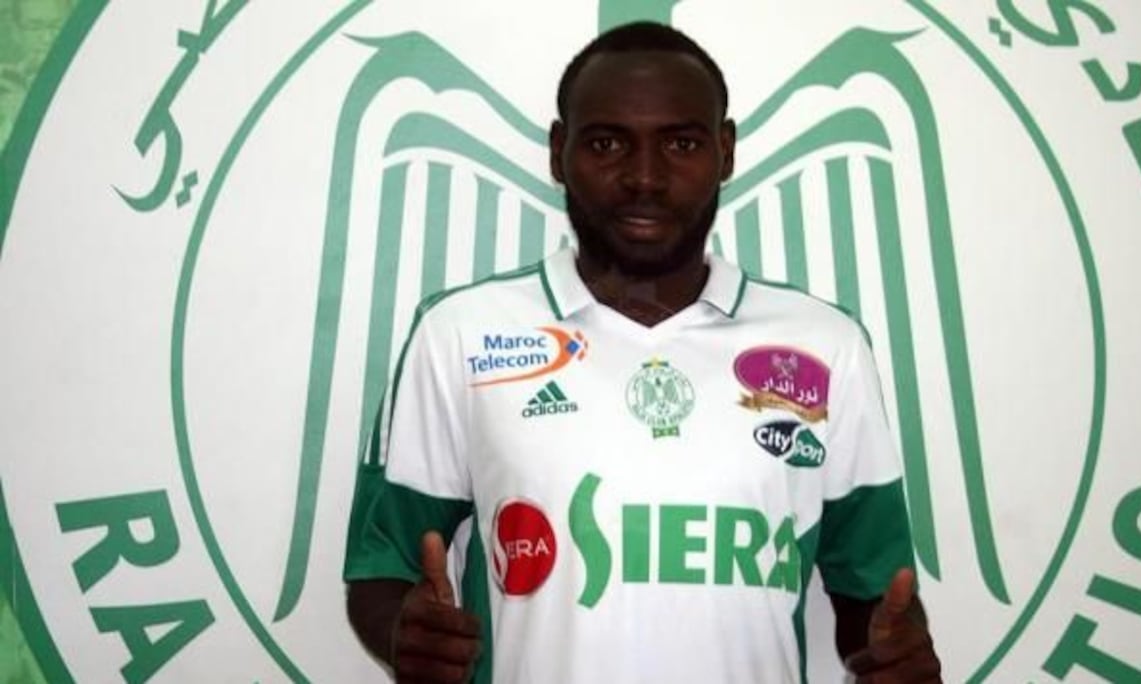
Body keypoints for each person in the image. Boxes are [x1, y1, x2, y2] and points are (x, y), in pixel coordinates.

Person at [344, 21, 942, 684]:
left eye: (681, 143)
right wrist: (404, 632)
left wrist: (894, 651)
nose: (645, 178)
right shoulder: (461, 333)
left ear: (725, 151)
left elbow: (874, 595)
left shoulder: (825, 346)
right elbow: (383, 569)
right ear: (558, 152)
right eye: (607, 143)